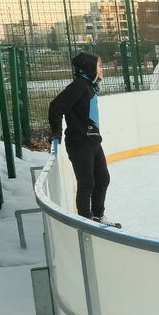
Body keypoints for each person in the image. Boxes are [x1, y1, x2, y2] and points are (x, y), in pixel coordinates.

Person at [48, 52, 118, 227]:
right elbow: (56, 106)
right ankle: (86, 222)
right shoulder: (79, 86)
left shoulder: (88, 86)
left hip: (92, 141)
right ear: (89, 68)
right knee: (87, 183)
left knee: (102, 179)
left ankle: (97, 217)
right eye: (99, 66)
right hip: (79, 143)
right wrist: (57, 130)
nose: (102, 69)